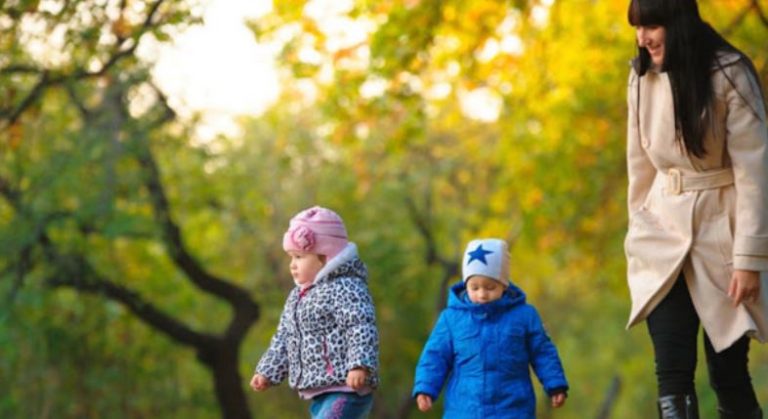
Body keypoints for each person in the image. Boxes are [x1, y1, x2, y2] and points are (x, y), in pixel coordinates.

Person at [624, 0, 768, 417]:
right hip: (661, 239)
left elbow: (755, 172)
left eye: (652, 26)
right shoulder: (639, 79)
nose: (642, 38)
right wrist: (638, 237)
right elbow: (639, 169)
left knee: (728, 374)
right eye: (637, 27)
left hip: (723, 236)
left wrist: (749, 259)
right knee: (671, 374)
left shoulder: (729, 73)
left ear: (679, 22)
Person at [412, 238, 568, 418]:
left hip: (513, 409)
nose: (482, 294)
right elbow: (435, 355)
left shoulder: (524, 316)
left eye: (490, 287)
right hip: (464, 410)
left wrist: (555, 384)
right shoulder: (451, 318)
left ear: (504, 284)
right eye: (474, 287)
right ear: (465, 285)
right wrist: (425, 388)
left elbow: (542, 352)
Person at [250, 206, 379, 419]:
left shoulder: (346, 287)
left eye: (299, 257)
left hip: (347, 389)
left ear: (325, 257)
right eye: (291, 257)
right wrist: (267, 371)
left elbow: (361, 326)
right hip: (320, 393)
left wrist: (360, 365)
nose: (292, 265)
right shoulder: (297, 297)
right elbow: (284, 338)